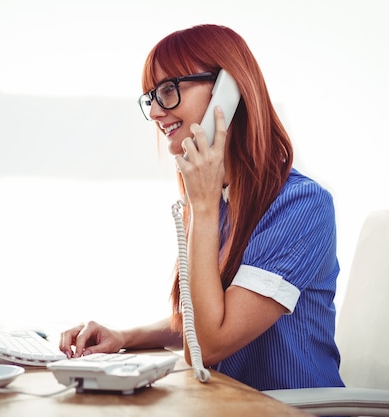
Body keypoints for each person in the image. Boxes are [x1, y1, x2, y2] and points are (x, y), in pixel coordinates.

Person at [59, 24, 345, 391]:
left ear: (229, 90)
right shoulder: (218, 199)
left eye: (168, 90)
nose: (158, 113)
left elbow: (207, 346)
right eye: (152, 98)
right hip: (228, 404)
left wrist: (203, 208)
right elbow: (206, 316)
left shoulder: (301, 206)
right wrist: (124, 335)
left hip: (287, 409)